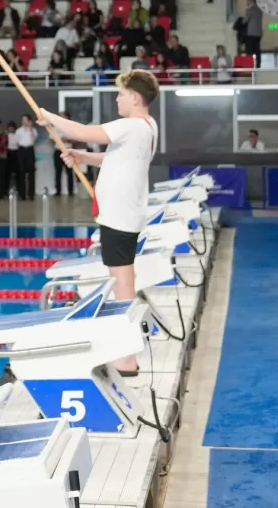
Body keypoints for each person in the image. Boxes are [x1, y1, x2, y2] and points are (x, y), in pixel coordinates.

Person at [38, 69, 160, 376]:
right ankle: (127, 354)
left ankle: (128, 358)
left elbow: (82, 131)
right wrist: (83, 157)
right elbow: (115, 158)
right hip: (121, 213)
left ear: (134, 97)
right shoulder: (147, 127)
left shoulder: (131, 125)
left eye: (120, 94)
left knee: (123, 285)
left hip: (120, 215)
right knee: (122, 281)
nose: (117, 99)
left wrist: (49, 117)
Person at [52, 110, 78, 197]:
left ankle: (71, 191)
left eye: (63, 116)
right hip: (58, 151)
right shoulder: (55, 127)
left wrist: (67, 139)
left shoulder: (70, 127)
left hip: (68, 151)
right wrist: (58, 140)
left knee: (69, 172)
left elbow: (75, 139)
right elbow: (50, 139)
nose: (61, 118)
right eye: (60, 116)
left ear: (67, 117)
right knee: (58, 172)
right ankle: (58, 191)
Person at [14, 115, 38, 199]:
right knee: (21, 172)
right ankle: (22, 194)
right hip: (21, 150)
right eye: (23, 120)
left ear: (29, 121)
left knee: (31, 172)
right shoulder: (18, 131)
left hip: (30, 150)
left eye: (26, 120)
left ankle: (31, 194)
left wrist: (30, 129)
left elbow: (33, 140)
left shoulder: (33, 130)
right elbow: (16, 142)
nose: (24, 121)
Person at [243, 0, 264, 67]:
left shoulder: (249, 9)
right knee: (257, 49)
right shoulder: (259, 10)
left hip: (251, 32)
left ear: (250, 0)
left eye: (247, 0)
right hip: (258, 33)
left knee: (250, 50)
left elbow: (245, 20)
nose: (246, 2)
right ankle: (258, 64)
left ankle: (249, 65)